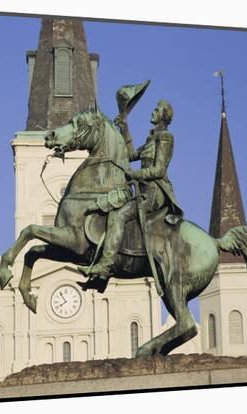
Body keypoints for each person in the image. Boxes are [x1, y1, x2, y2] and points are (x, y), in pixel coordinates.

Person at [78, 99, 183, 291]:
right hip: (143, 190)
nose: (153, 112)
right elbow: (131, 155)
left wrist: (134, 174)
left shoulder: (165, 137)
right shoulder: (152, 139)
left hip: (155, 192)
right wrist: (124, 126)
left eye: (156, 109)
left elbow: (159, 170)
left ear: (164, 116)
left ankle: (106, 264)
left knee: (117, 215)